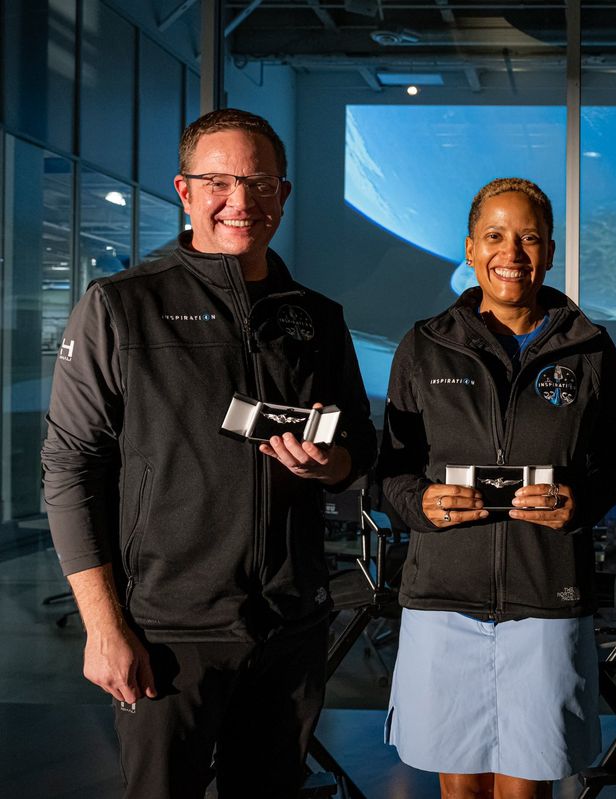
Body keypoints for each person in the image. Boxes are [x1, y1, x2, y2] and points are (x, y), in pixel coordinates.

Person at [41, 108, 377, 798]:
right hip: (169, 630)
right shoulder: (120, 306)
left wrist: (330, 464)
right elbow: (71, 470)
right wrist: (104, 625)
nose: (241, 202)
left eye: (260, 184)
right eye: (218, 182)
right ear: (185, 191)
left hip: (289, 624)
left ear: (284, 194)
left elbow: (358, 445)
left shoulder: (315, 317)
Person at [378, 177, 616, 799]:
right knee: (460, 789)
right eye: (494, 236)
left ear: (548, 252)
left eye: (528, 238)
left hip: (545, 594)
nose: (511, 253)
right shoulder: (424, 345)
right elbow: (390, 470)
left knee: (527, 789)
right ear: (470, 249)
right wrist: (421, 504)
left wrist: (581, 501)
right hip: (444, 596)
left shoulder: (590, 348)